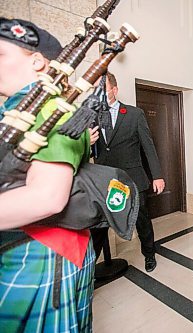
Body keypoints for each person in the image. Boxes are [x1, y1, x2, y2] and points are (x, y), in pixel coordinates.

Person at [0, 18, 95, 331]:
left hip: (39, 249)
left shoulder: (51, 109)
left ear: (37, 61)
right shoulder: (15, 111)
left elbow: (47, 197)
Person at [91, 72, 165, 272]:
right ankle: (87, 270)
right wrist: (86, 143)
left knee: (142, 220)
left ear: (114, 90)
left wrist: (157, 176)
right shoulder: (92, 116)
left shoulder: (134, 114)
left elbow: (148, 146)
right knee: (98, 225)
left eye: (104, 93)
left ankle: (149, 255)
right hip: (103, 180)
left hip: (133, 178)